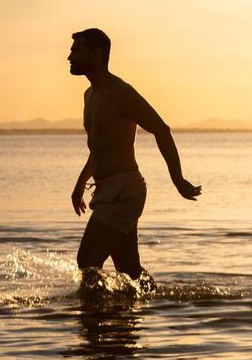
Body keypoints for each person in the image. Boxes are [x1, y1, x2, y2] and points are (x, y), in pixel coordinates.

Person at [67, 28, 202, 283]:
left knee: (87, 261)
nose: (69, 57)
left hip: (124, 191)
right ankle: (153, 306)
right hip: (108, 190)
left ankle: (93, 319)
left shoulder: (119, 92)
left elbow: (161, 129)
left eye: (76, 50)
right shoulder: (90, 95)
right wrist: (79, 183)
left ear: (96, 53)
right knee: (129, 271)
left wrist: (178, 179)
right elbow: (98, 147)